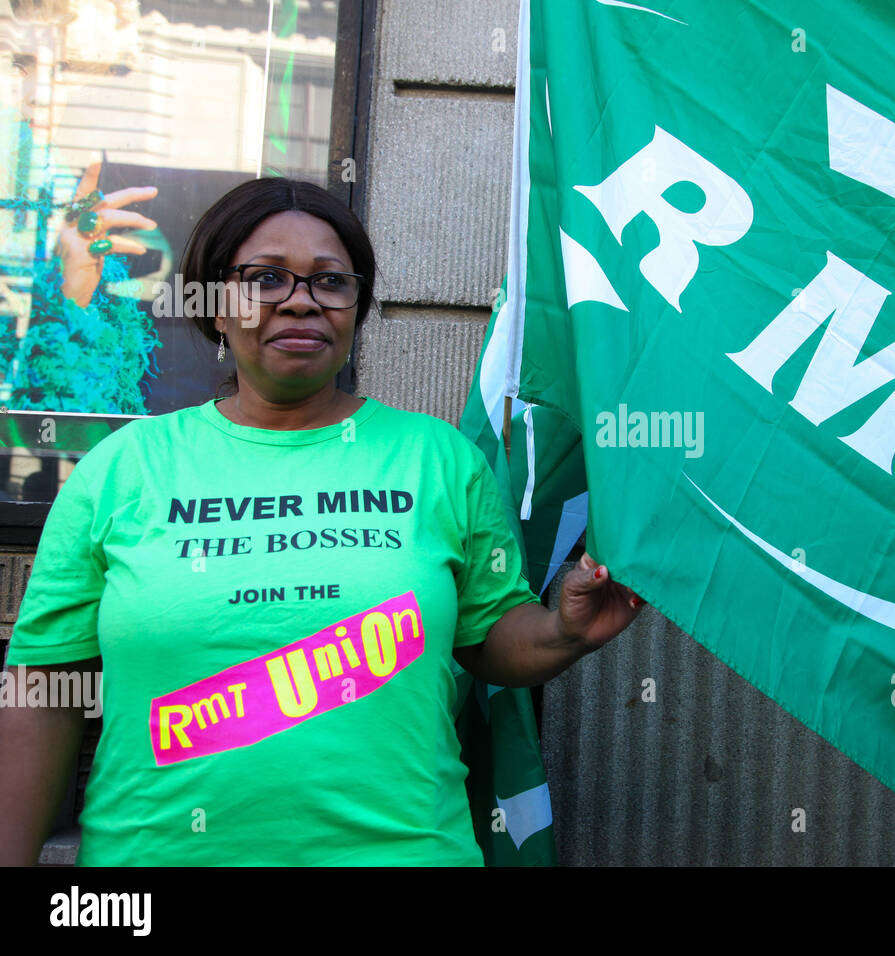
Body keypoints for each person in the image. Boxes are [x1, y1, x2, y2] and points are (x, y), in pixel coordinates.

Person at [0, 178, 643, 866]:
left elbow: (491, 640)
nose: (301, 299)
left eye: (330, 281)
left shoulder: (437, 461)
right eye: (265, 278)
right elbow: (43, 688)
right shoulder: (120, 470)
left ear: (355, 307)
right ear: (216, 306)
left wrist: (562, 631)